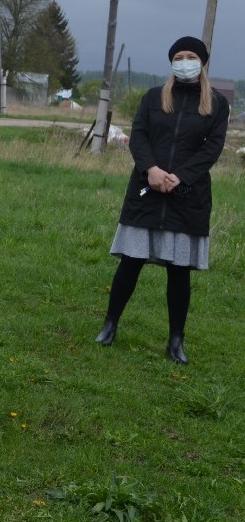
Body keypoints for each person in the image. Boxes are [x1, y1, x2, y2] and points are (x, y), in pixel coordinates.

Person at [94, 35, 228, 364]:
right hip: (146, 191)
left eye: (190, 56)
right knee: (131, 262)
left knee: (179, 271)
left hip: (187, 195)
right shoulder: (154, 97)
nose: (184, 61)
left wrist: (179, 176)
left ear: (201, 62)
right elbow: (138, 135)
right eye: (179, 56)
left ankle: (176, 341)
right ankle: (110, 325)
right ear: (172, 62)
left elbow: (212, 147)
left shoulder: (217, 104)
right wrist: (151, 169)